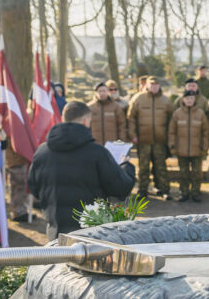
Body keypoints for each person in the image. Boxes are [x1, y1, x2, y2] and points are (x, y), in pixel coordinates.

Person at [29, 101, 136, 239]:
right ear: (86, 121)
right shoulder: (97, 152)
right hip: (90, 230)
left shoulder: (42, 151)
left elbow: (34, 187)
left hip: (55, 229)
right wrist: (126, 166)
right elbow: (121, 188)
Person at [128, 76, 173, 199]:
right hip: (143, 140)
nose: (154, 87)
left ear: (159, 86)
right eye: (151, 84)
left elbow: (171, 120)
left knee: (161, 167)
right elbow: (131, 118)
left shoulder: (166, 101)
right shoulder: (138, 99)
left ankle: (164, 190)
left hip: (160, 140)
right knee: (143, 167)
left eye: (156, 84)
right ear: (146, 85)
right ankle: (142, 190)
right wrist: (133, 135)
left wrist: (169, 138)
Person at [169, 91, 209, 202]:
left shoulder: (200, 113)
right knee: (183, 173)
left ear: (194, 99)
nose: (189, 100)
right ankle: (184, 192)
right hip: (182, 150)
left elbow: (206, 132)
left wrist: (205, 146)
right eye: (187, 98)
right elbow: (172, 131)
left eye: (191, 98)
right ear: (183, 100)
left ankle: (196, 193)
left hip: (197, 149)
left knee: (197, 173)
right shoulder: (177, 113)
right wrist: (172, 145)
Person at [88, 81, 128, 145]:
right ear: (95, 93)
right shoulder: (90, 107)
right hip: (95, 144)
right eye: (99, 91)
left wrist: (121, 141)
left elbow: (122, 125)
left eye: (104, 91)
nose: (102, 93)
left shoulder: (115, 107)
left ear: (108, 92)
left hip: (112, 144)